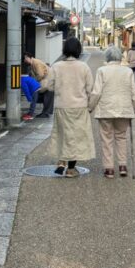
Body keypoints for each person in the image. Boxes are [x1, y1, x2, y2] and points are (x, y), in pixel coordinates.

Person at [40, 36, 94, 177]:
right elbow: (91, 90)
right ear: (78, 50)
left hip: (62, 106)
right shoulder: (84, 67)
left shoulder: (56, 66)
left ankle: (61, 161)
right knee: (75, 137)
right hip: (79, 107)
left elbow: (49, 86)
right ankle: (71, 169)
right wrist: (90, 106)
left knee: (61, 134)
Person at [89, 46, 135, 178]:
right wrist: (133, 108)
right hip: (124, 109)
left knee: (107, 139)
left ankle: (109, 169)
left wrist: (90, 107)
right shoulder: (128, 71)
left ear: (107, 57)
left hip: (106, 109)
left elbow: (96, 92)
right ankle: (123, 166)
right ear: (120, 57)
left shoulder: (102, 71)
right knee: (121, 137)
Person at [24, 52, 54, 118]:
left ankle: (45, 113)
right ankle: (45, 113)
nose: (24, 60)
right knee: (46, 97)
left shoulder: (36, 63)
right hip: (48, 81)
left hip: (48, 81)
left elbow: (40, 74)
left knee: (46, 96)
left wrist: (34, 81)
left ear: (29, 57)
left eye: (25, 58)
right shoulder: (33, 64)